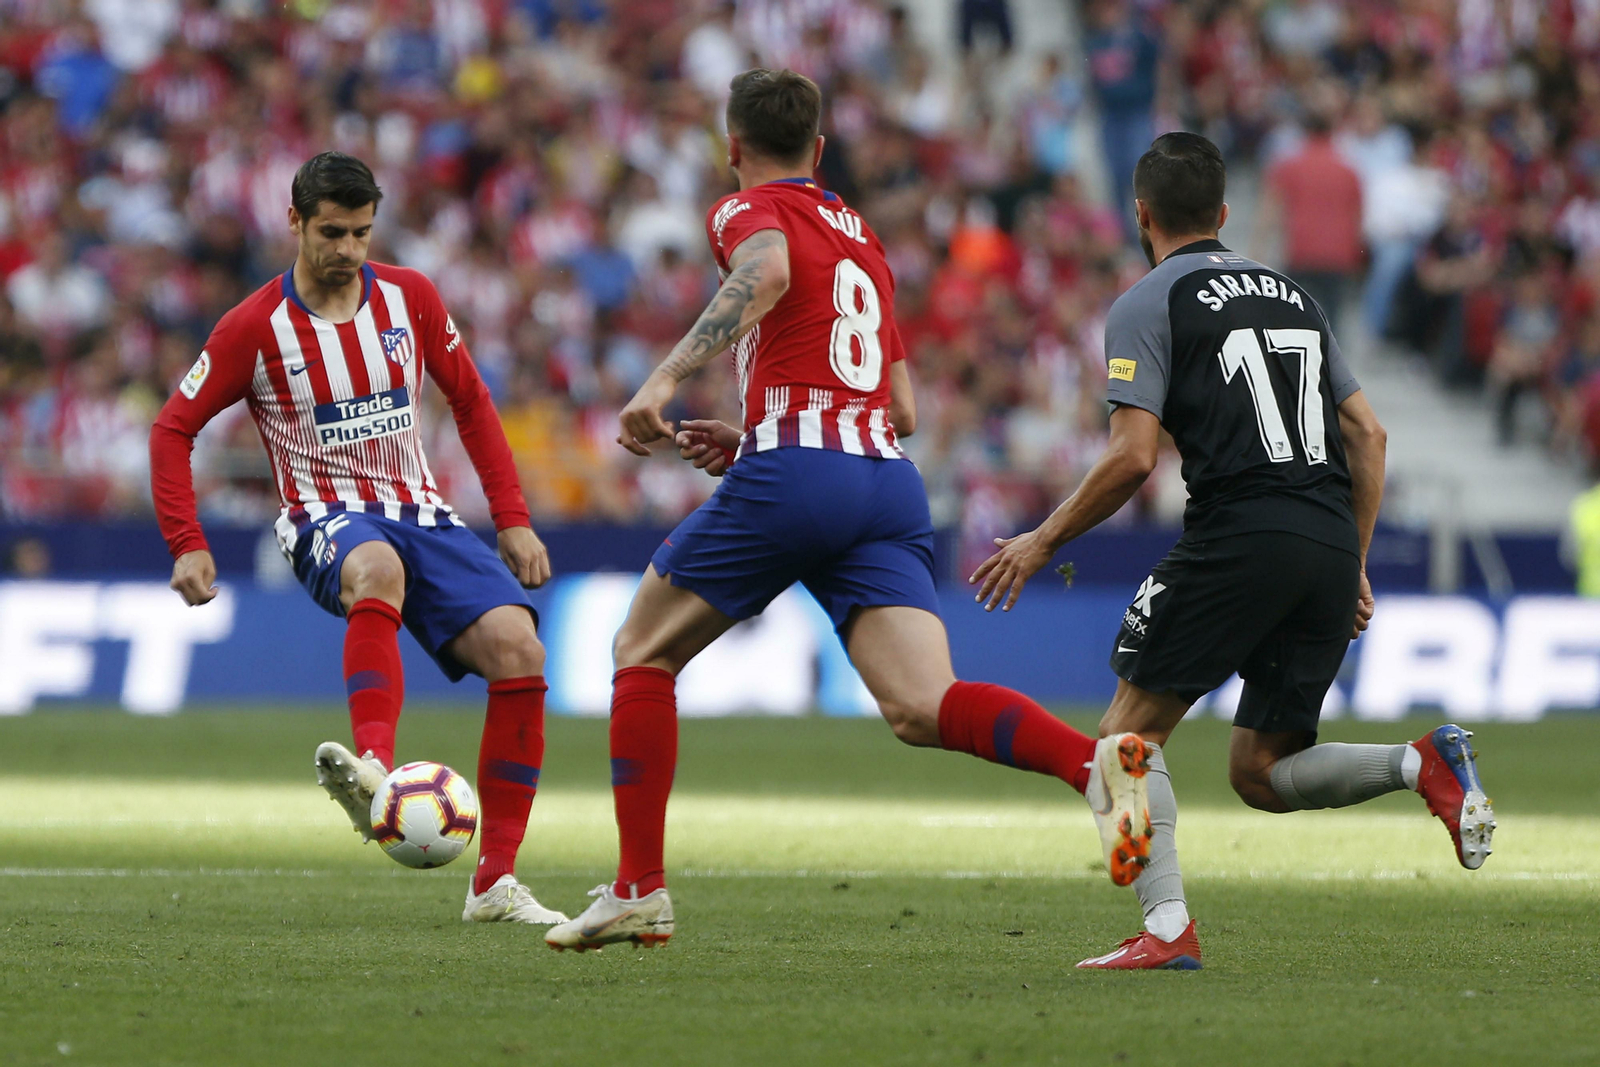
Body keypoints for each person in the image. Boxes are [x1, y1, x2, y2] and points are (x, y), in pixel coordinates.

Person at [543, 69, 1151, 952]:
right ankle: (1091, 764)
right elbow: (899, 406)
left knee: (641, 650)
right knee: (922, 704)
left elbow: (766, 270)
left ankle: (639, 888)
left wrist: (664, 380)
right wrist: (758, 433)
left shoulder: (745, 211)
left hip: (805, 472)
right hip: (885, 480)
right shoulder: (862, 237)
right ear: (821, 151)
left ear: (734, 146)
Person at [971, 133, 1495, 970]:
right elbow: (1369, 431)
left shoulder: (1147, 300)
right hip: (1324, 532)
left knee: (1122, 742)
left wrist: (1040, 540)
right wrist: (1351, 559)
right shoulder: (1294, 295)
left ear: (1141, 215)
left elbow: (1133, 456)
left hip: (1239, 531)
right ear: (1222, 214)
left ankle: (1167, 928)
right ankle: (1418, 761)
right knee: (1261, 768)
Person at [147, 152, 568, 927]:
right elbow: (173, 427)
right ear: (295, 224)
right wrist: (186, 540)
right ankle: (375, 762)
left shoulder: (411, 297)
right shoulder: (254, 326)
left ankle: (495, 883)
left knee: (522, 649)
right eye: (332, 232)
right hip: (321, 517)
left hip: (423, 513)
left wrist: (511, 517)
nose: (347, 249)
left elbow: (471, 402)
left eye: (361, 234)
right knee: (375, 567)